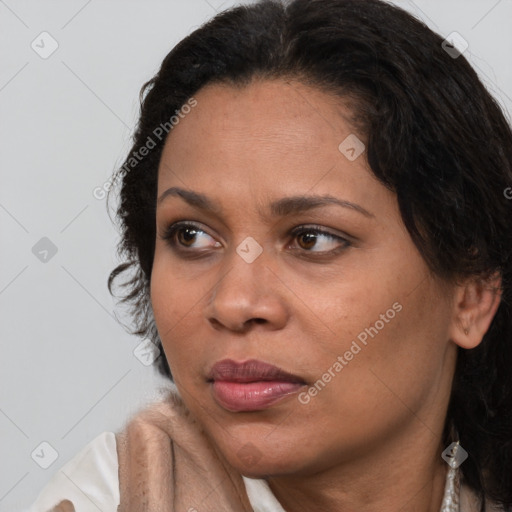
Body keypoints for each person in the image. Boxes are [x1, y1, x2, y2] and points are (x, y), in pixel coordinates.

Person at [29, 0, 512, 510]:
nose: (233, 303)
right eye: (191, 236)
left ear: (472, 296)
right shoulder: (117, 495)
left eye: (312, 239)